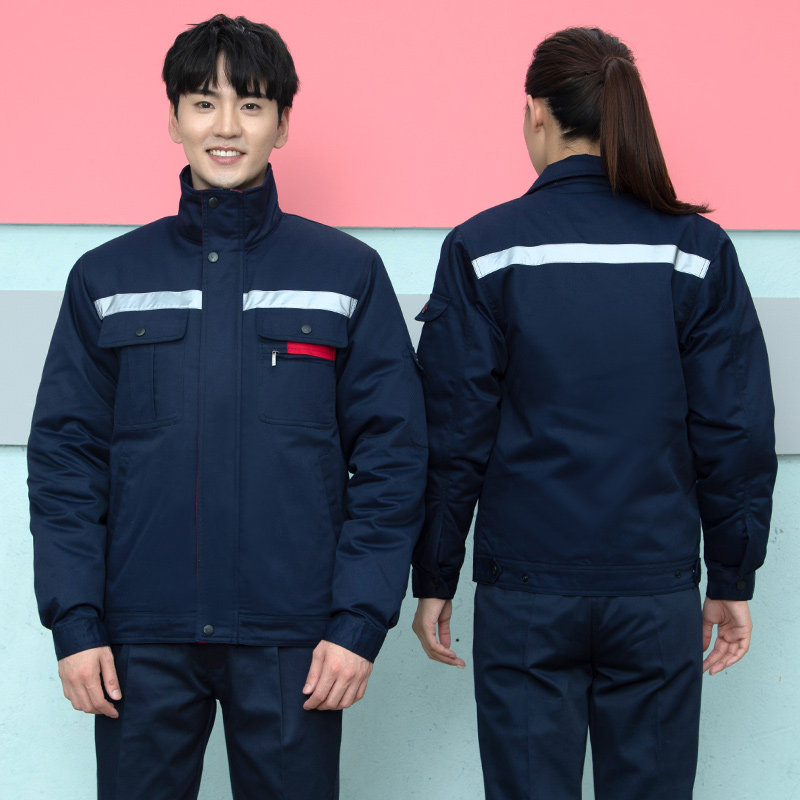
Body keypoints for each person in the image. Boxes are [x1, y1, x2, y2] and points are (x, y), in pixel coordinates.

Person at [28, 14, 426, 799]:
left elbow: (393, 458)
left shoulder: (345, 273)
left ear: (282, 123)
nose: (227, 127)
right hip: (140, 639)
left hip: (295, 638)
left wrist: (357, 624)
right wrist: (74, 624)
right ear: (173, 117)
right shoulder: (106, 277)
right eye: (204, 103)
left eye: (250, 104)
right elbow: (66, 462)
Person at [411, 26, 776, 800]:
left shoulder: (484, 248)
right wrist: (732, 575)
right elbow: (736, 430)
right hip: (654, 592)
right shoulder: (695, 250)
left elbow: (452, 432)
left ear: (536, 113)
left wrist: (434, 574)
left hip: (525, 596)